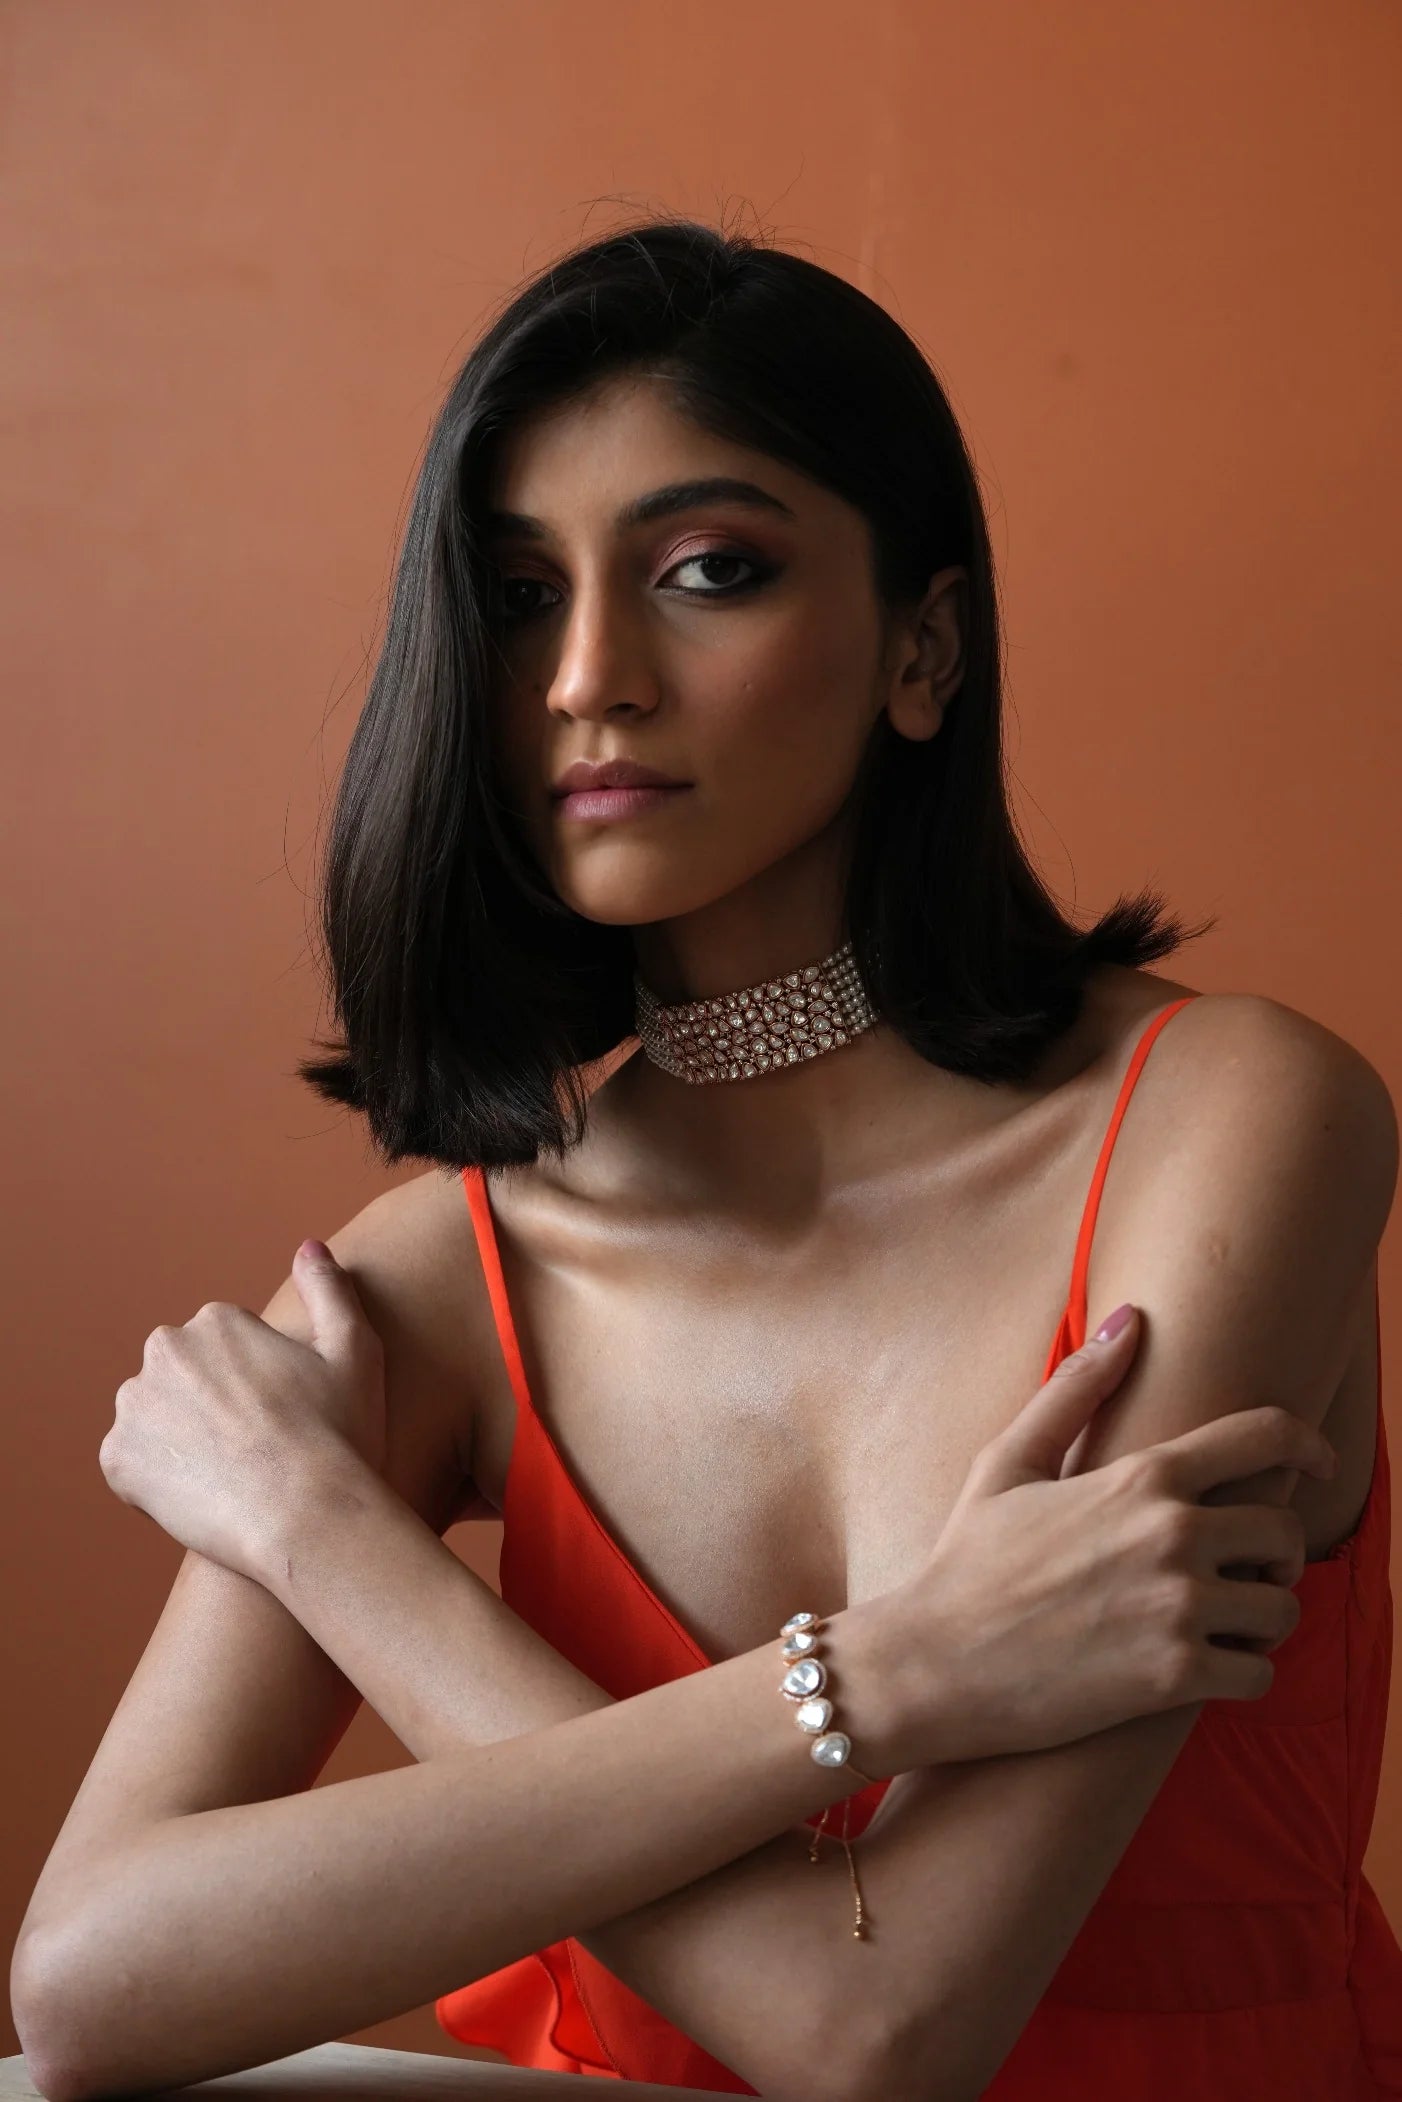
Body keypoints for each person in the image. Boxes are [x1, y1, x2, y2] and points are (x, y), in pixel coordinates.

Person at [13, 216, 1401, 2102]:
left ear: (925, 646)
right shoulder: (436, 1279)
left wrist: (329, 1542)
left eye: (706, 571)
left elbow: (884, 2032)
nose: (588, 672)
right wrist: (888, 1675)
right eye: (514, 597)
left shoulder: (1235, 1123)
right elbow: (87, 1987)